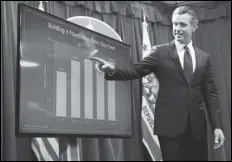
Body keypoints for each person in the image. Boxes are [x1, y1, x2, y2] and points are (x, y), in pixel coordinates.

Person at [97, 5, 225, 161]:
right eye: (175, 24)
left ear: (194, 26)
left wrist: (217, 126)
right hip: (169, 129)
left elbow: (211, 94)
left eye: (182, 24)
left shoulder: (204, 58)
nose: (177, 28)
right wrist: (112, 70)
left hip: (197, 130)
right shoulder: (160, 52)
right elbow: (136, 70)